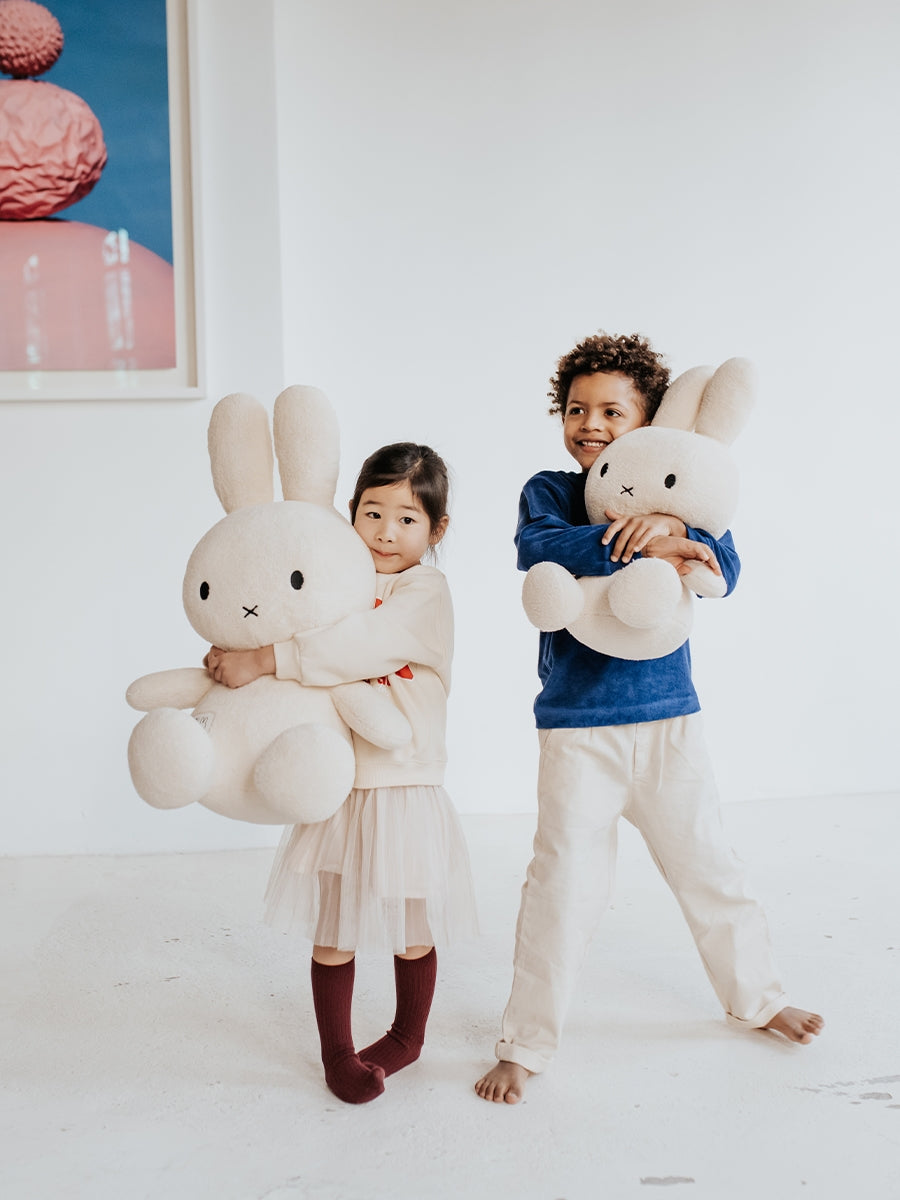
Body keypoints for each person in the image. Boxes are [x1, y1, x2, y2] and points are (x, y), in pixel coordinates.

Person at [475, 331, 823, 1105]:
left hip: (670, 721)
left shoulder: (682, 491)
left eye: (611, 409)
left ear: (650, 419)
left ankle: (758, 998)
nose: (590, 423)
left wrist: (676, 535)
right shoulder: (552, 490)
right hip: (577, 727)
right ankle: (526, 1045)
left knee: (710, 869)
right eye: (576, 408)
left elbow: (723, 565)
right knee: (560, 887)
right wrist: (624, 538)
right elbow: (537, 550)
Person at [207, 442, 478, 1105]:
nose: (387, 531)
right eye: (373, 511)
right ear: (349, 514)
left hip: (404, 783)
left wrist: (269, 658)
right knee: (334, 930)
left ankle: (408, 1036)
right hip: (338, 784)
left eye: (408, 518)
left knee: (412, 929)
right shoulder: (335, 577)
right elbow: (285, 604)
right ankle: (336, 1053)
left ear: (437, 530)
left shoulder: (424, 590)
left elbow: (359, 645)